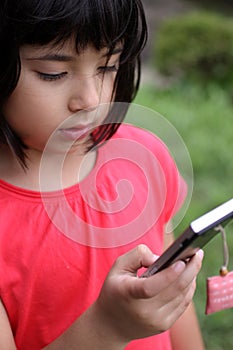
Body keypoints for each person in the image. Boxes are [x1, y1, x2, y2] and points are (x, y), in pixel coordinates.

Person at [0, 0, 205, 349]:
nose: (91, 100)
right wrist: (109, 326)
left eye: (108, 66)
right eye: (54, 72)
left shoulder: (143, 157)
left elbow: (174, 307)